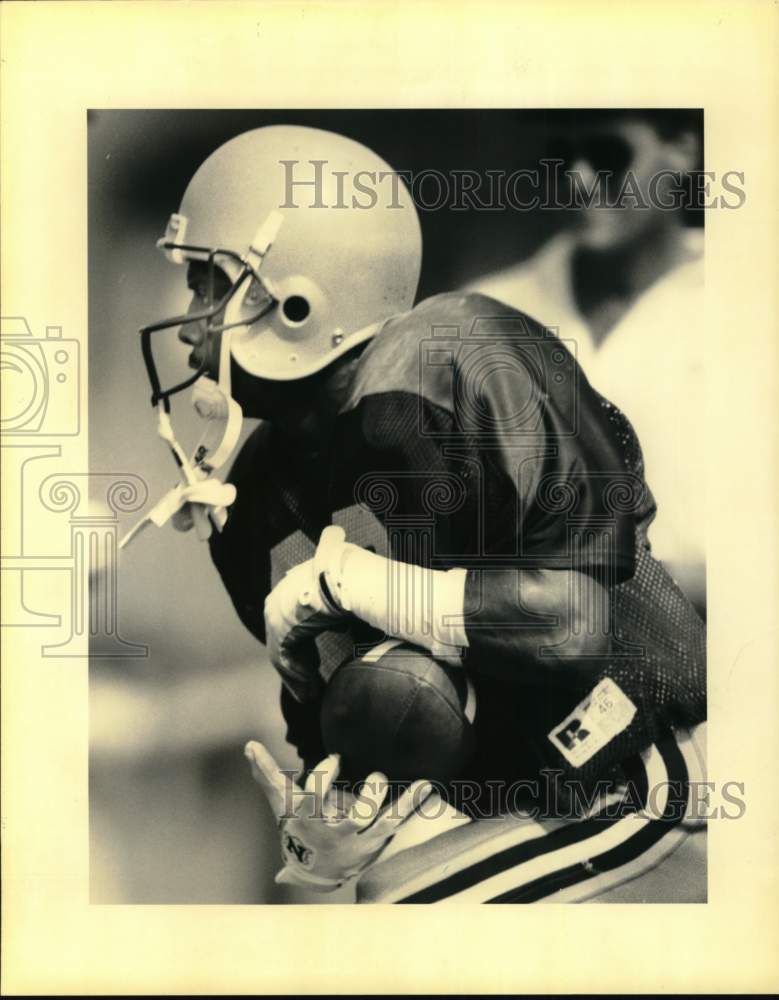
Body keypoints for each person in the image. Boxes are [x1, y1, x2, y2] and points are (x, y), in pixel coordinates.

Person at [125, 124, 707, 902]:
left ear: (300, 296)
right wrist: (325, 825)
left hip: (645, 763)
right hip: (516, 809)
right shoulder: (257, 497)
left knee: (409, 905)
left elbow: (572, 624)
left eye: (208, 282)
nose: (189, 317)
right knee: (377, 898)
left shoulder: (454, 354)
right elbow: (380, 730)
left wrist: (350, 586)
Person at [469, 111, 705, 612]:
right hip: (526, 654)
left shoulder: (751, 308)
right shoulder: (485, 315)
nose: (577, 179)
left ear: (681, 151)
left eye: (608, 154)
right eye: (560, 157)